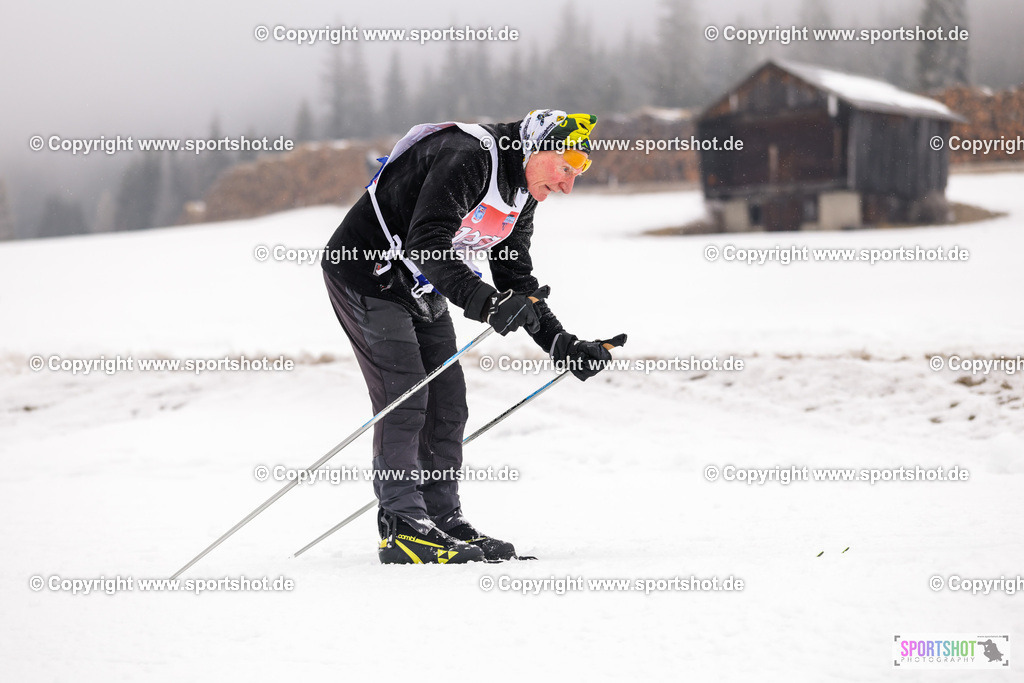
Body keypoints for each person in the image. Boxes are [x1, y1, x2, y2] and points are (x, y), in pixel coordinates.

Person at [321, 109, 615, 564]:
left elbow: (515, 276)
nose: (567, 185)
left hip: (423, 282)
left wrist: (563, 345)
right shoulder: (470, 155)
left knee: (448, 400)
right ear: (537, 148)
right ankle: (402, 528)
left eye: (579, 173)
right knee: (406, 395)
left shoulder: (523, 192)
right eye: (565, 167)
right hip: (366, 272)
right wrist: (486, 302)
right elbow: (428, 241)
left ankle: (440, 520)